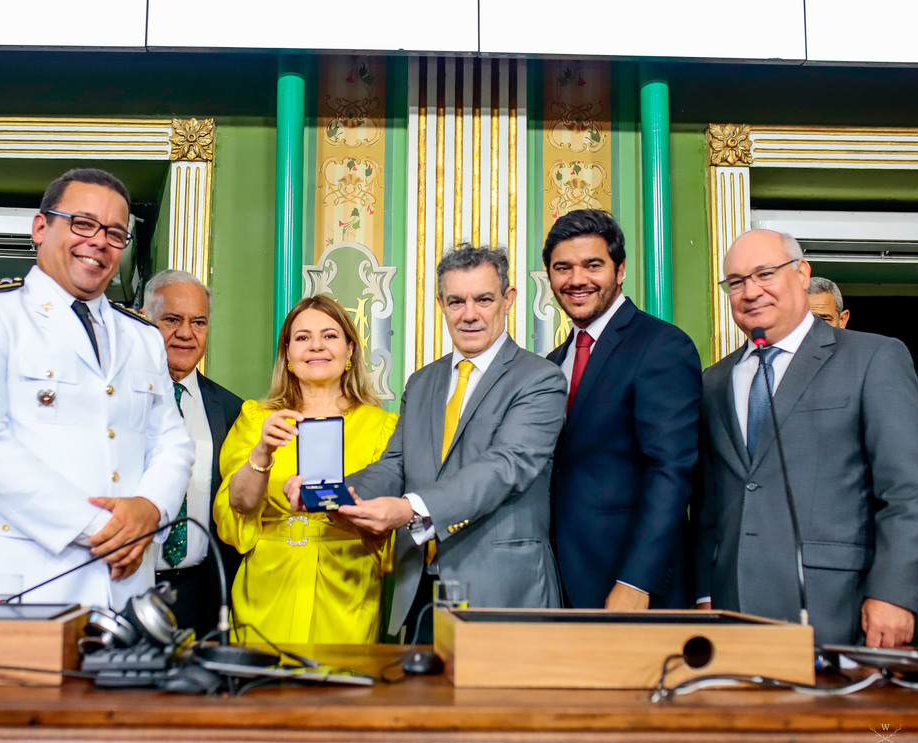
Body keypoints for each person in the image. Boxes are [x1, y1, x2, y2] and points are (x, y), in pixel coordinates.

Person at [0, 168, 194, 607]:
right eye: (83, 223)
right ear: (41, 227)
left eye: (114, 232)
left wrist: (151, 508)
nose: (99, 241)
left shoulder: (142, 336)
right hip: (20, 582)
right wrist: (99, 527)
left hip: (124, 586)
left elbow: (172, 442)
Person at [696, 228, 918, 646]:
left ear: (802, 273)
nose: (750, 292)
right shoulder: (714, 381)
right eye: (736, 282)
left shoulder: (873, 357)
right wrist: (703, 592)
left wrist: (894, 594)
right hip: (730, 611)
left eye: (765, 274)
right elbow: (708, 507)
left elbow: (909, 491)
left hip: (839, 609)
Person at [330, 244, 567, 642]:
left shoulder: (539, 379)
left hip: (504, 590)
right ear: (440, 302)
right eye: (456, 300)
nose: (469, 314)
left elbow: (505, 466)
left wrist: (409, 510)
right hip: (419, 588)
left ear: (508, 300)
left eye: (483, 299)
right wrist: (337, 494)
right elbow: (395, 464)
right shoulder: (422, 382)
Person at [213, 295, 397, 644]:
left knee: (339, 692)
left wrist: (338, 508)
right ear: (287, 354)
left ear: (350, 350)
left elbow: (387, 521)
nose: (316, 346)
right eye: (302, 337)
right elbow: (239, 507)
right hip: (268, 584)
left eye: (329, 335)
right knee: (262, 689)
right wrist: (263, 452)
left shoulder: (382, 426)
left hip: (347, 585)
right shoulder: (257, 418)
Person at [543, 209, 701, 610]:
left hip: (630, 586)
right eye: (563, 268)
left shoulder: (661, 345)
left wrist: (637, 579)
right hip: (560, 581)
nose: (577, 280)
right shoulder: (551, 362)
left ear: (621, 270)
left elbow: (671, 471)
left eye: (592, 265)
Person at [141, 269, 243, 634]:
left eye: (198, 322)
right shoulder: (116, 400)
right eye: (171, 319)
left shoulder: (232, 410)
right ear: (145, 319)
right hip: (129, 588)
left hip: (203, 596)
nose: (186, 333)